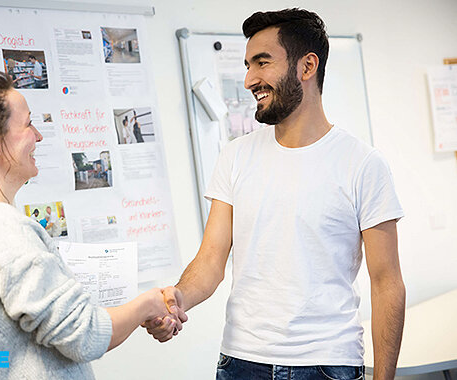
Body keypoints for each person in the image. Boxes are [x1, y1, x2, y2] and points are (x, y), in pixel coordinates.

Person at [143, 8, 405, 380]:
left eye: (262, 63)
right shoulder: (236, 155)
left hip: (327, 364)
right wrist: (178, 299)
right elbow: (211, 260)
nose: (250, 79)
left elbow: (386, 282)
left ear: (307, 66)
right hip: (241, 361)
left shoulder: (363, 164)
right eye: (248, 65)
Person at [0, 69, 182, 379]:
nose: (38, 135)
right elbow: (86, 337)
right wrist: (149, 303)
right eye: (28, 124)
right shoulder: (6, 230)